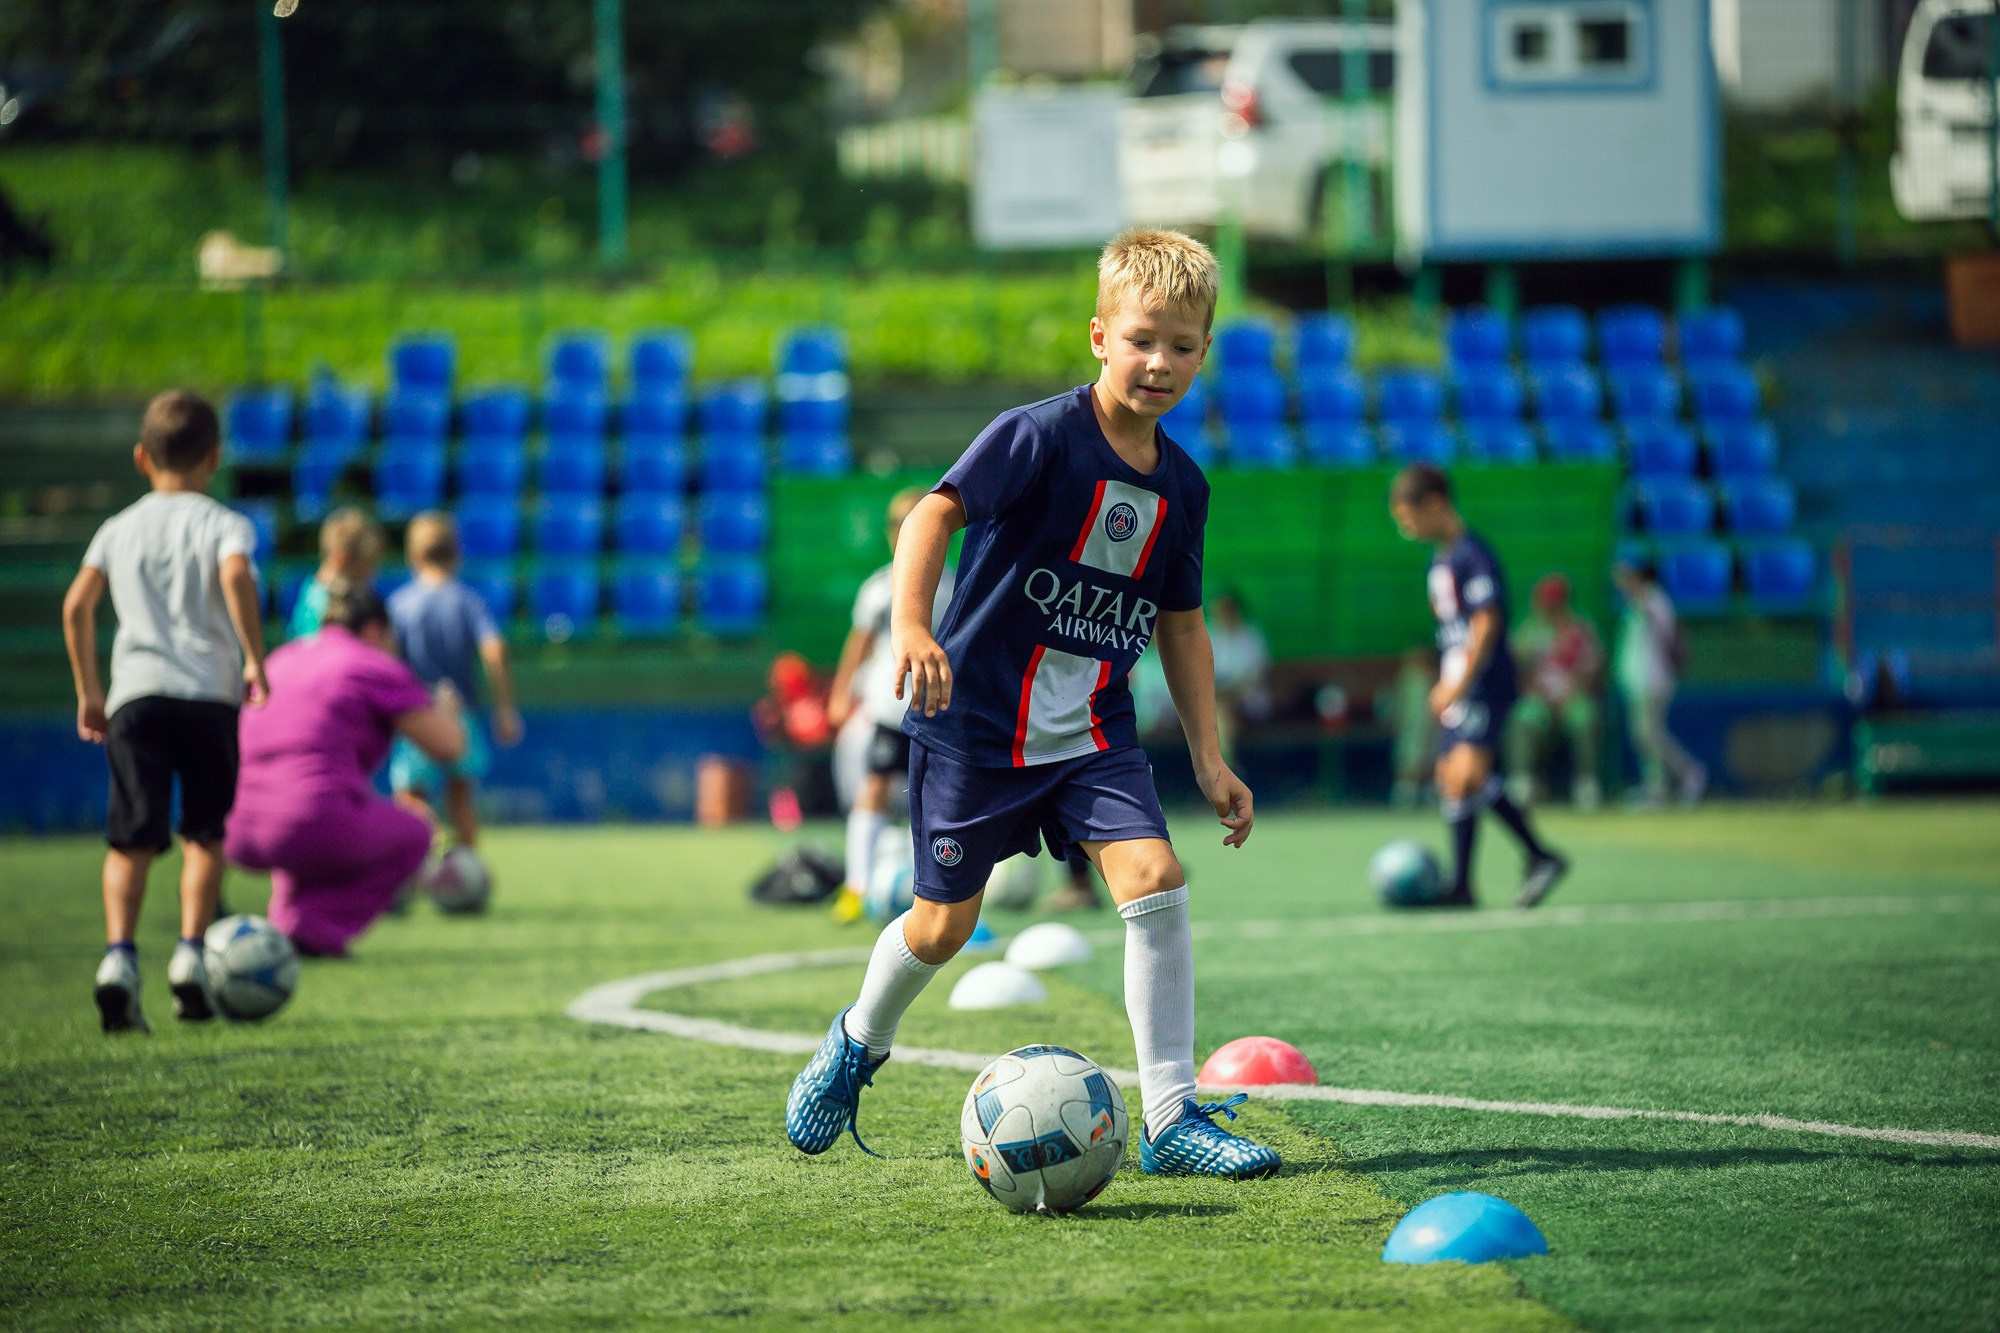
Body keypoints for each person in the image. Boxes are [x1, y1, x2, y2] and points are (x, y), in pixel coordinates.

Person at [786, 227, 1279, 1179]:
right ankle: (857, 1039)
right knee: (943, 924)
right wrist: (914, 627)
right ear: (1100, 336)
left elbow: (1181, 624)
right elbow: (933, 512)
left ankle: (1171, 1117)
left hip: (1095, 733)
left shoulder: (1183, 485)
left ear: (1205, 353)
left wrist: (1209, 759)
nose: (1160, 361)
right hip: (977, 732)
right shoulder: (1037, 435)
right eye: (1142, 338)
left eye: (1182, 345)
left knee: (1156, 875)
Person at [60, 390, 270, 1031]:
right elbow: (235, 576)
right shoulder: (223, 522)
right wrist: (254, 655)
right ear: (214, 456)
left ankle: (119, 959)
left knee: (131, 839)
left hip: (136, 697)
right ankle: (188, 955)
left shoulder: (118, 528)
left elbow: (76, 606)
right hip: (207, 694)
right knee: (204, 834)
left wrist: (89, 691)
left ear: (140, 458)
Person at [226, 580, 466, 958]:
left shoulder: (281, 657)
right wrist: (448, 711)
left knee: (310, 809)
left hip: (236, 825)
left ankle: (285, 920)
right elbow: (449, 747)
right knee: (416, 833)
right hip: (307, 822)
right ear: (374, 630)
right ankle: (315, 927)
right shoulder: (372, 664)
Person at [1389, 465, 1568, 909]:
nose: (1405, 528)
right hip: (1459, 684)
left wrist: (1461, 683)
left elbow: (1486, 623)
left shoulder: (1473, 554)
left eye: (1408, 518)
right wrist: (1445, 682)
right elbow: (1453, 631)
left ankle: (1539, 856)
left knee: (1468, 773)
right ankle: (1466, 885)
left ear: (1434, 504)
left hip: (1484, 682)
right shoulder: (1442, 559)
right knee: (1455, 780)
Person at [825, 487, 956, 923]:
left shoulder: (956, 586)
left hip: (941, 713)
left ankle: (942, 897)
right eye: (895, 523)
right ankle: (857, 887)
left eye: (911, 520)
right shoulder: (878, 588)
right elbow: (858, 645)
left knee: (942, 803)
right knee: (875, 790)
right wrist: (842, 693)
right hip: (890, 709)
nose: (901, 531)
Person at [386, 512, 522, 851]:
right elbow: (495, 650)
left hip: (417, 716)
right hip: (461, 715)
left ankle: (426, 847)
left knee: (410, 795)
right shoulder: (467, 601)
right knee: (461, 796)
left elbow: (386, 660)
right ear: (457, 553)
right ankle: (467, 868)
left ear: (413, 555)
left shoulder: (400, 605)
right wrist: (505, 708)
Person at [1506, 573, 1605, 811]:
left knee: (1586, 717)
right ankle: (1523, 782)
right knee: (1523, 718)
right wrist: (1536, 691)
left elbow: (1593, 670)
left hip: (1572, 697)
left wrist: (1571, 693)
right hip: (1540, 699)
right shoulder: (1529, 629)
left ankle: (1586, 783)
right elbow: (1517, 671)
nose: (1548, 607)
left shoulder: (1580, 629)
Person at [1613, 560, 1707, 807]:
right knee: (1644, 735)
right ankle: (1657, 788)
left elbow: (1662, 632)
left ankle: (1690, 774)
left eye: (1633, 577)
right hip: (1640, 682)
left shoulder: (1654, 602)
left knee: (1650, 734)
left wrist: (1628, 584)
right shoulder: (1641, 603)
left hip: (1652, 681)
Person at [287, 507, 383, 640]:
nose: (373, 574)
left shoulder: (317, 592)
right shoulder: (319, 603)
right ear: (340, 560)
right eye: (366, 567)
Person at [1207, 588, 1272, 763]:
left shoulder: (1251, 637)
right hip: (1217, 700)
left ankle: (1224, 765)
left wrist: (1224, 692)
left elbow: (1253, 678)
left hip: (1247, 699)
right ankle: (1227, 765)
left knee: (1218, 710)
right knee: (1217, 710)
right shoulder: (1210, 636)